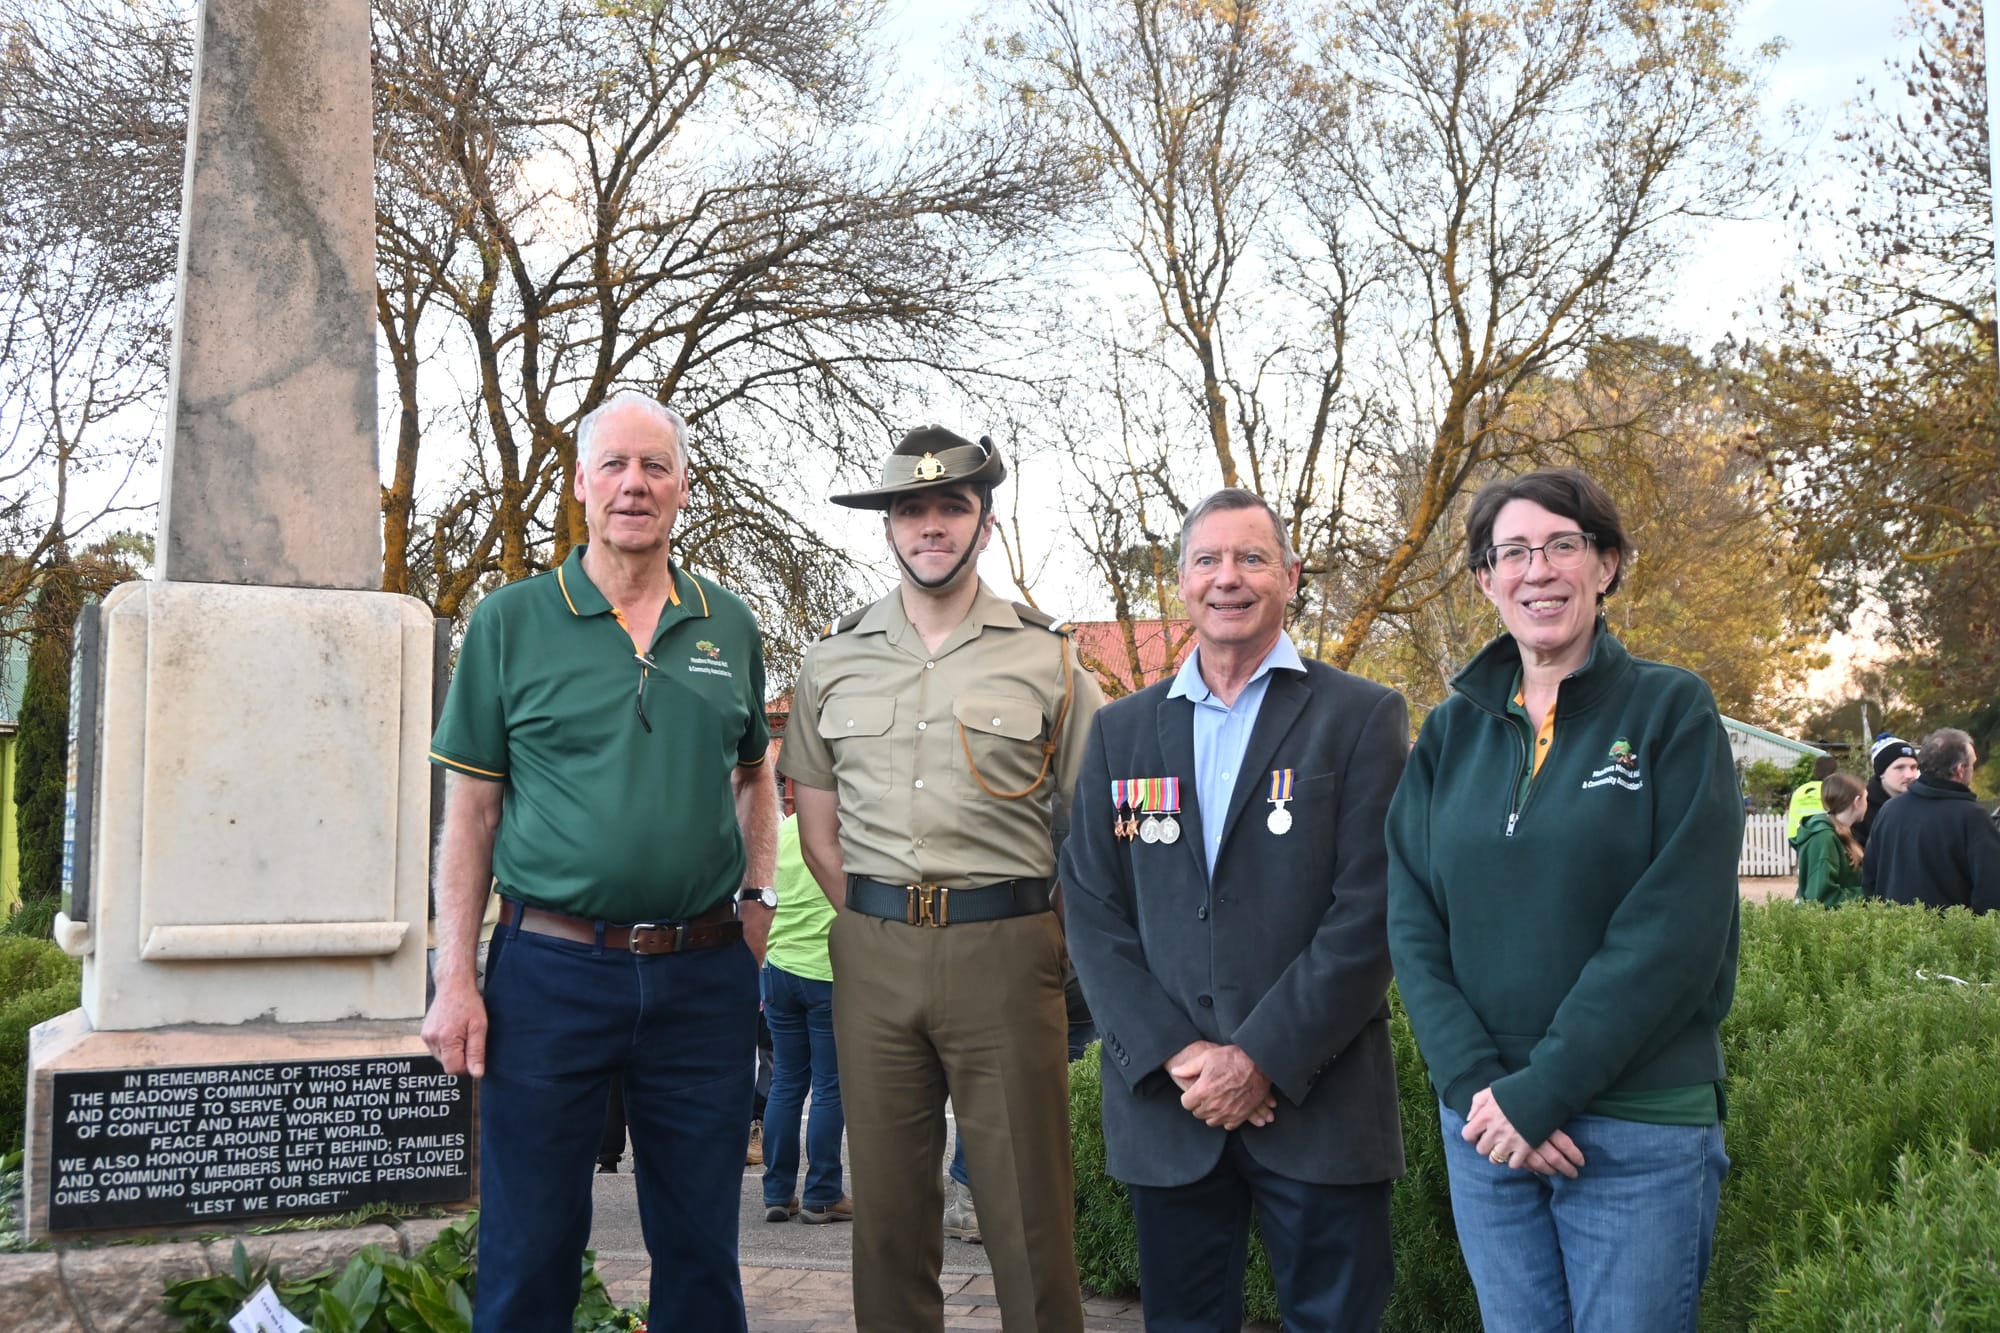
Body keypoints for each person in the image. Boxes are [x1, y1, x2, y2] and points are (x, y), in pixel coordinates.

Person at [423, 390, 777, 1332]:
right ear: (580, 485)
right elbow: (471, 814)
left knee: (701, 1250)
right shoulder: (509, 622)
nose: (634, 484)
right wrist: (454, 974)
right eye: (614, 465)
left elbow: (756, 779)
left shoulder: (727, 626)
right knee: (530, 1246)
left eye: (655, 466)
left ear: (684, 487)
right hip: (550, 971)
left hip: (703, 977)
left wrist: (757, 900)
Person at [1385, 467, 1742, 1333]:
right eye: (1512, 552)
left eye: (1562, 545)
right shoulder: (1448, 732)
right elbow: (1411, 918)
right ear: (1485, 581)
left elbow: (1675, 933)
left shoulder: (1672, 711)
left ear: (1606, 564)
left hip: (1636, 1127)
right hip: (1485, 1127)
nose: (1537, 569)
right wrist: (1482, 1087)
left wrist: (1542, 1091)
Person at [779, 427, 1104, 1332]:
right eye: (910, 509)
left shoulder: (1050, 657)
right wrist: (878, 922)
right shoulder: (832, 659)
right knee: (884, 1215)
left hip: (1007, 950)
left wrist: (1043, 943)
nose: (930, 525)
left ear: (984, 524)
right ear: (887, 528)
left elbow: (1092, 830)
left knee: (1025, 1212)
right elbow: (818, 827)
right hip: (874, 951)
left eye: (950, 507)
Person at [1062, 487, 1410, 1333]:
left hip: (1319, 1107)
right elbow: (1092, 907)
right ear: (1179, 581)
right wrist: (1183, 1055)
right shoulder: (1121, 731)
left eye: (1252, 558)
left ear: (1290, 576)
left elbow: (1372, 912)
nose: (1230, 578)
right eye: (1209, 559)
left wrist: (1258, 1056)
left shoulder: (1362, 718)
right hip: (1169, 1111)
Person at [761, 806, 852, 1224]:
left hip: (779, 967)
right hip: (827, 971)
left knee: (785, 1082)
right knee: (830, 1086)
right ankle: (822, 1193)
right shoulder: (845, 826)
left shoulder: (784, 830)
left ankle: (778, 1192)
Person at [1862, 727, 2000, 914]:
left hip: (1894, 934)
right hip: (1951, 938)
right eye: (1972, 765)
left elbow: (1870, 881)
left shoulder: (1889, 810)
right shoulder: (1972, 818)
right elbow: (1991, 894)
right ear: (1960, 770)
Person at [1792, 771, 1867, 908]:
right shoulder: (1823, 837)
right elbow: (1821, 898)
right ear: (1856, 802)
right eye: (1866, 798)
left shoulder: (1841, 831)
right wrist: (1870, 894)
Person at [1855, 733, 1918, 846]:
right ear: (1881, 772)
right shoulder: (1861, 808)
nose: (1909, 775)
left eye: (1913, 767)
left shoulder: (1925, 803)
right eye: (1899, 768)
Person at [1783, 754, 1841, 840]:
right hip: (1827, 839)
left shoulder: (1800, 790)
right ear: (1834, 771)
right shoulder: (1832, 790)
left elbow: (1793, 817)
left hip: (1798, 840)